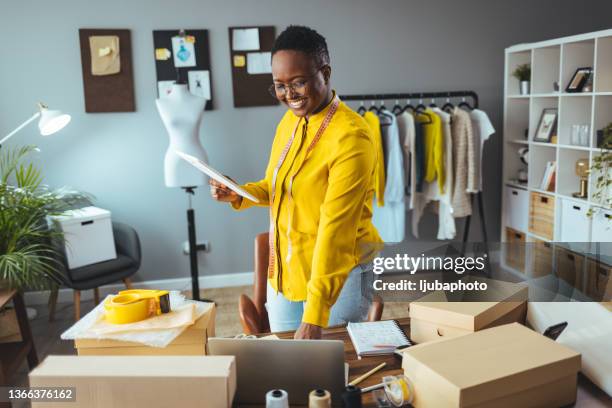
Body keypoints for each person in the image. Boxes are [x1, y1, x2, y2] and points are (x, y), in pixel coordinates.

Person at [210, 25, 381, 339]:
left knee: (331, 372)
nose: (289, 95)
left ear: (325, 73)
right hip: (286, 273)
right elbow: (278, 187)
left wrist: (315, 315)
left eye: (298, 83)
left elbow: (336, 232)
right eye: (279, 86)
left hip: (338, 279)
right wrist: (238, 193)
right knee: (287, 366)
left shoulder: (352, 137)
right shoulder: (289, 122)